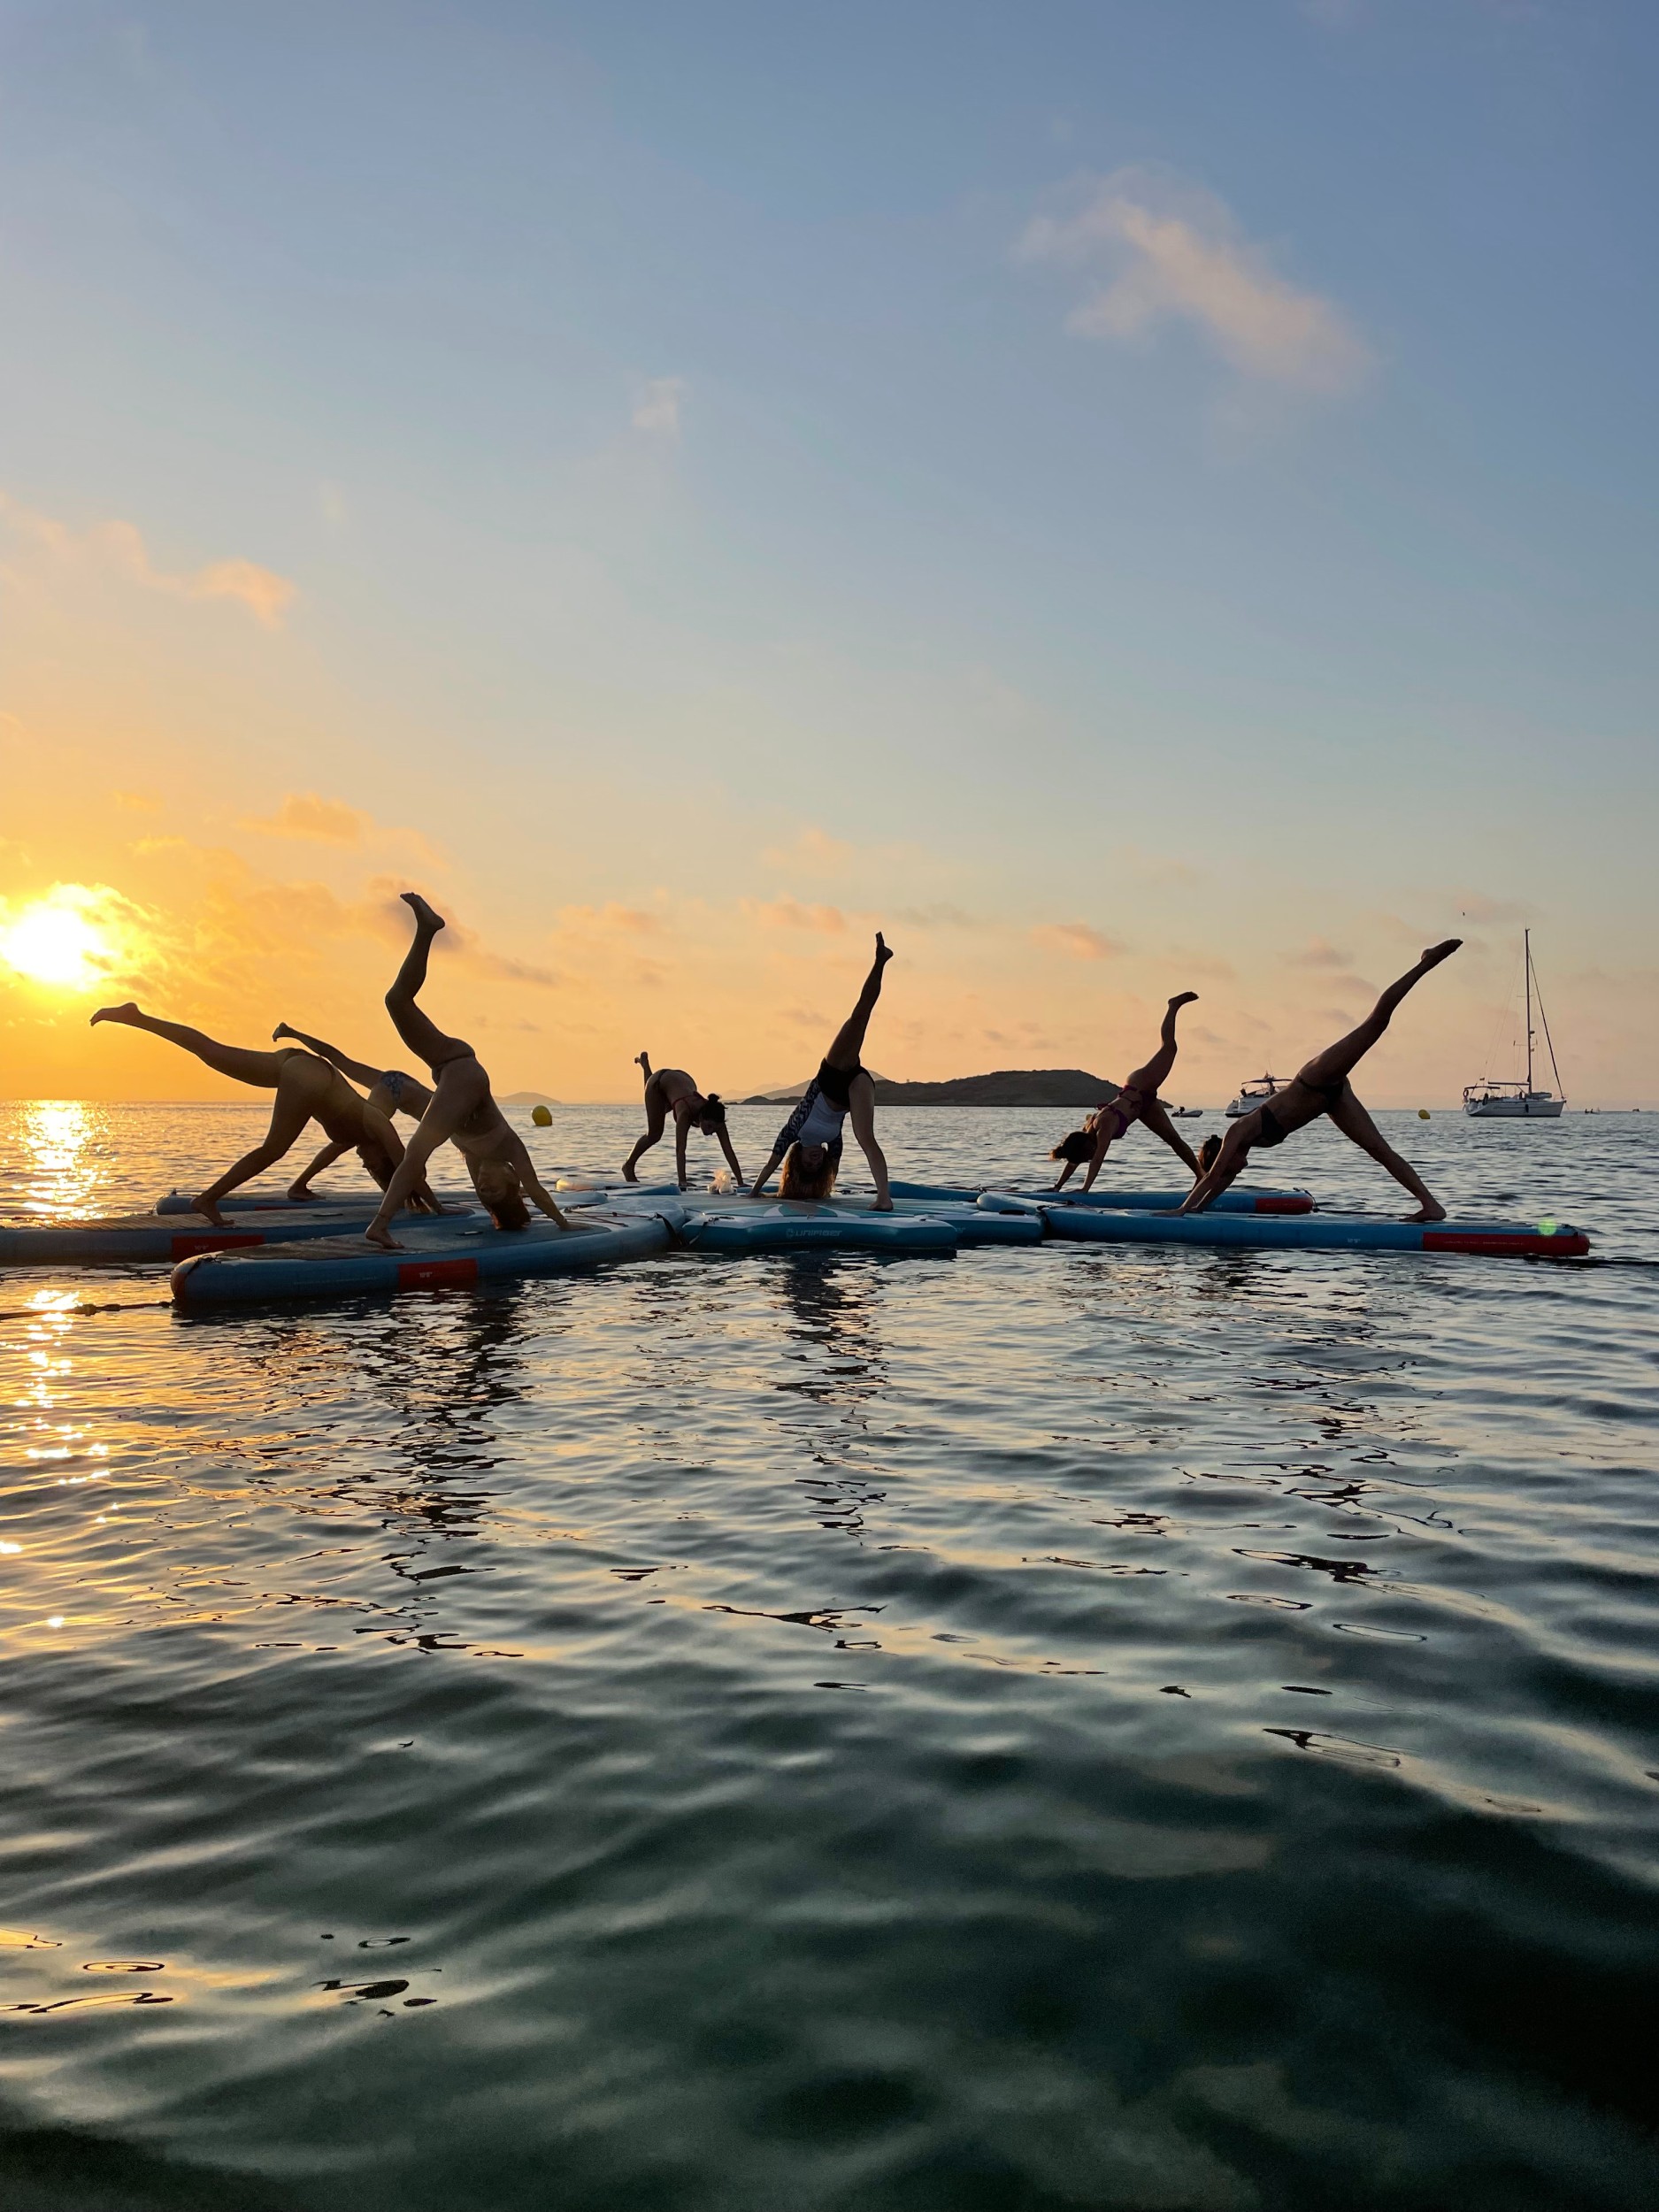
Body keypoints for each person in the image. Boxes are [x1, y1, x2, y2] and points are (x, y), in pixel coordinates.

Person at [1178, 941, 1462, 1221]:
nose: (1238, 1172)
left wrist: (1179, 1211)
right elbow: (1217, 1184)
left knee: (1376, 1023)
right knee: (1379, 1151)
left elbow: (1213, 1176)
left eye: (1233, 1169)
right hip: (1332, 1099)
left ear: (1223, 1158)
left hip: (1315, 1078)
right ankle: (1431, 1206)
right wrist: (1196, 1211)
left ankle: (1426, 962)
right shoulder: (1243, 1146)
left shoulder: (1237, 1133)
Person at [87, 1004, 430, 1225]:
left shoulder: (358, 1134)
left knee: (212, 1053)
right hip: (310, 1076)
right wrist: (435, 1205)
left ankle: (137, 1018)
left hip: (294, 1064)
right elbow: (408, 1165)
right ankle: (206, 1200)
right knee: (273, 1150)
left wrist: (300, 1185)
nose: (364, 1163)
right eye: (372, 1165)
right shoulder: (377, 1125)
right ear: (382, 1154)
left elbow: (331, 1152)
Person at [361, 894, 571, 1249]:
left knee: (396, 1000)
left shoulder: (477, 1162)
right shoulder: (510, 1149)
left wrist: (437, 1207)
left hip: (449, 1069)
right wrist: (565, 1225)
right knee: (418, 1150)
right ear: (510, 1178)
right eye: (493, 1185)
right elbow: (536, 1190)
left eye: (481, 1189)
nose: (483, 1182)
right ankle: (380, 1225)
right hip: (464, 1074)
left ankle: (427, 932)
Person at [749, 933, 894, 1210]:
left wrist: (754, 1194)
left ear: (799, 1156)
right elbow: (832, 1174)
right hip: (853, 1087)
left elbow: (772, 1163)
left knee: (860, 1017)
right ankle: (884, 1199)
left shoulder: (793, 1130)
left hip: (831, 1076)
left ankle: (880, 961)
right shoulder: (832, 1144)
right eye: (818, 1162)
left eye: (809, 1161)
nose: (816, 1159)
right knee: (866, 1138)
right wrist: (825, 1194)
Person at [1049, 994, 1202, 1191]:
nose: (1088, 1159)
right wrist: (1057, 1187)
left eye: (1086, 1156)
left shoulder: (1103, 1127)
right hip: (1143, 1106)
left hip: (1140, 1084)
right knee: (1173, 1139)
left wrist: (1085, 1188)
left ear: (1086, 1147)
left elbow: (1098, 1160)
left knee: (1169, 1047)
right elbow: (1074, 1161)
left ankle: (1173, 1006)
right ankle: (1201, 1176)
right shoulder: (1088, 1135)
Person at [267, 1022, 435, 1202]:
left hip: (395, 1081)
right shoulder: (452, 1118)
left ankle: (291, 1032)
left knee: (340, 1061)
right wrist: (436, 1205)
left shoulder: (447, 1110)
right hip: (395, 1089)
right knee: (352, 1140)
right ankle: (299, 1186)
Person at [622, 1055, 744, 1189]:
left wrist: (740, 1182)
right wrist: (682, 1181)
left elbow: (729, 1150)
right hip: (659, 1082)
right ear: (702, 1117)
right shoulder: (685, 1113)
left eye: (713, 1129)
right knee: (654, 1134)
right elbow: (680, 1149)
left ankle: (645, 1065)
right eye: (709, 1127)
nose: (710, 1132)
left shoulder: (716, 1115)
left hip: (681, 1080)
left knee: (658, 1112)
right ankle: (628, 1166)